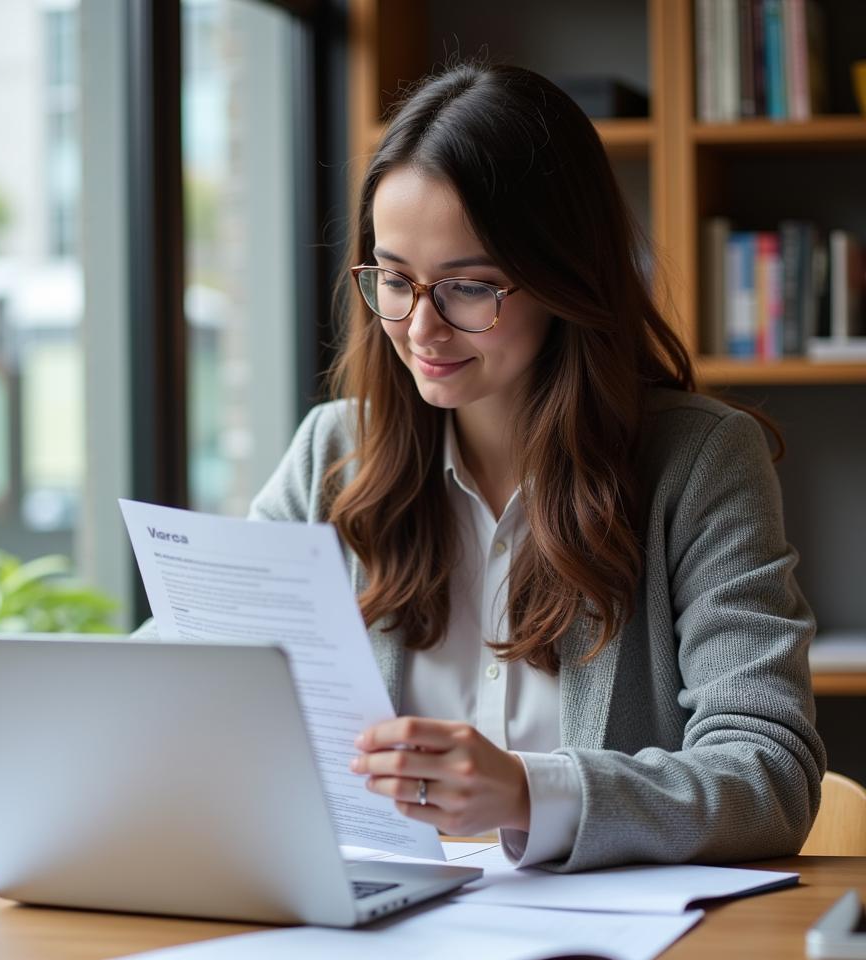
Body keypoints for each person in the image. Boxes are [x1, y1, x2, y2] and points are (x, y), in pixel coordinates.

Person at [249, 62, 825, 871]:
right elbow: (198, 671)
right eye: (395, 279)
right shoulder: (331, 456)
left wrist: (528, 791)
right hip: (379, 941)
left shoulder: (698, 462)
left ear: (565, 278)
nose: (421, 328)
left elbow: (770, 776)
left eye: (468, 287)